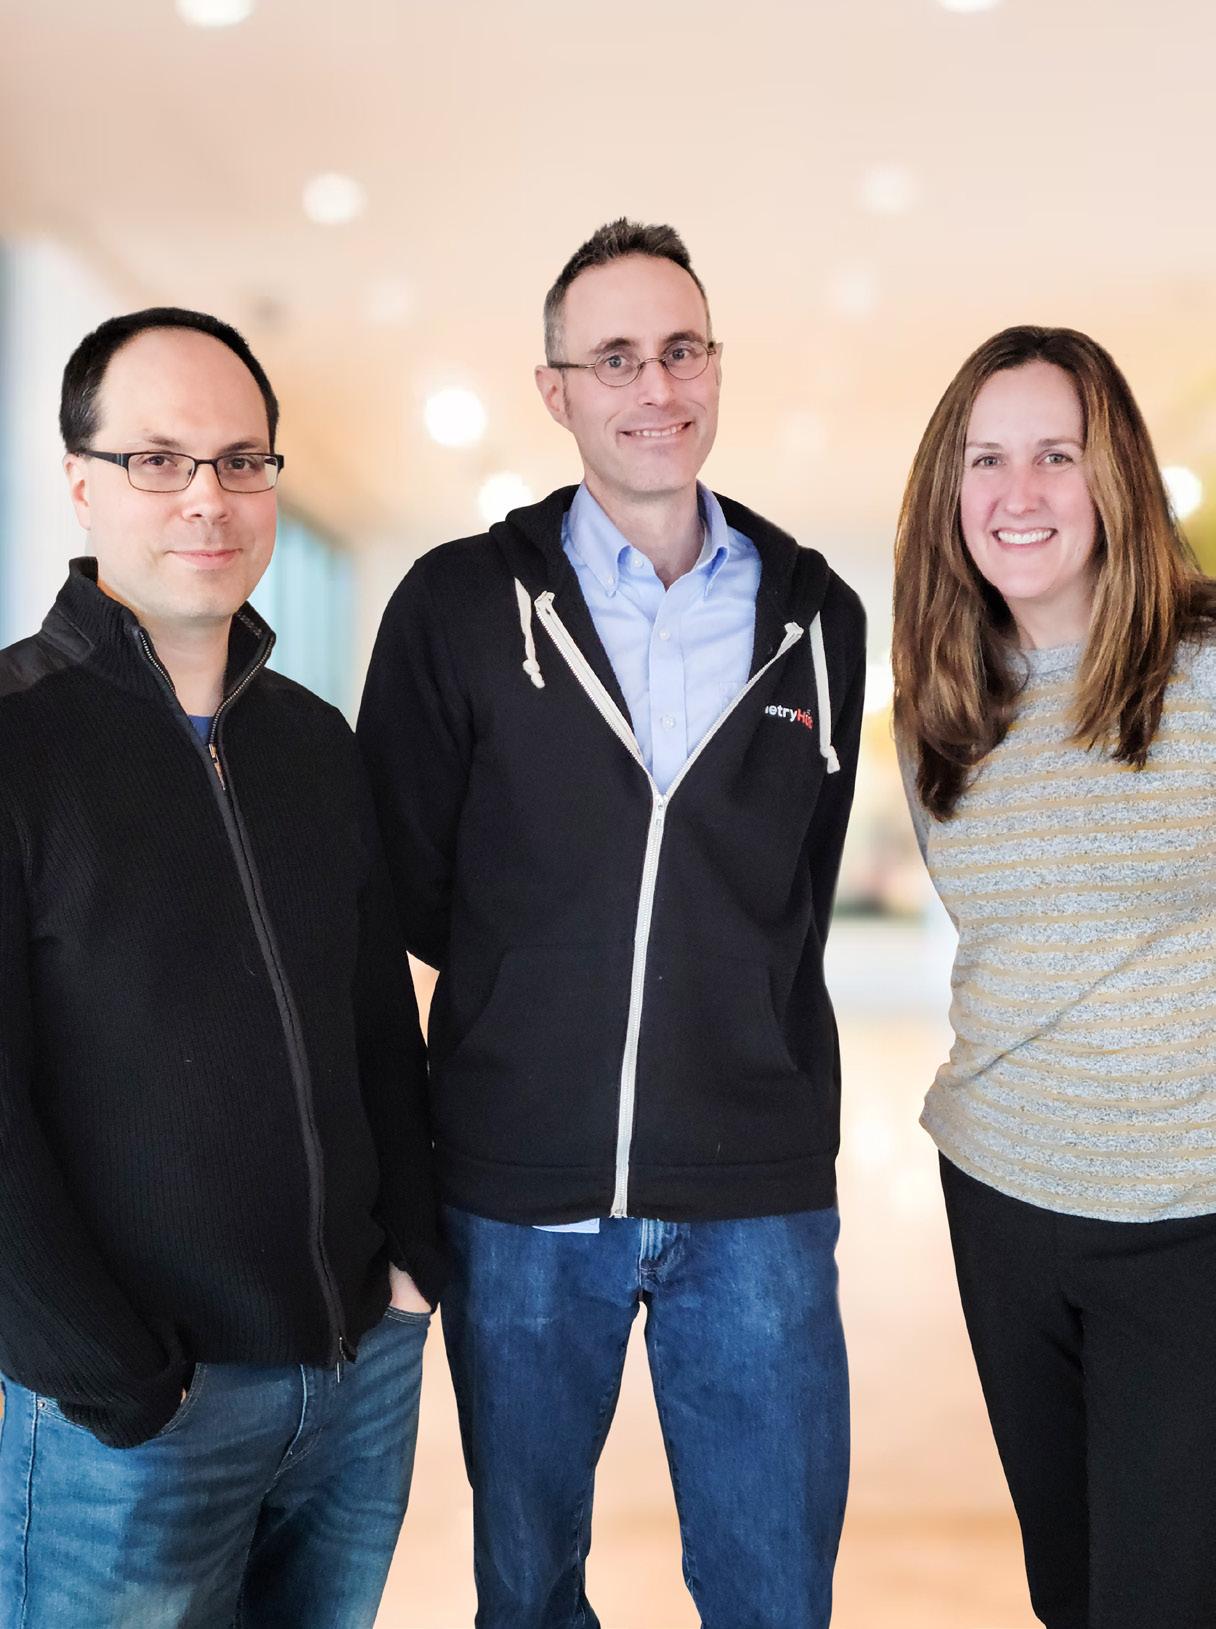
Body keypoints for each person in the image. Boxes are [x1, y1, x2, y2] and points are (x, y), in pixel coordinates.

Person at [358, 219, 866, 1628]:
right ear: (557, 390)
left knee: (775, 1596)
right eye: (617, 357)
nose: (657, 386)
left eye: (683, 349)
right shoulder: (459, 604)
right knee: (526, 1593)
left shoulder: (817, 613)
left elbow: (793, 883)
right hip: (518, 1190)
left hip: (756, 1195)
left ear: (718, 365)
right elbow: (403, 885)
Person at [0, 307, 444, 1629]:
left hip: (354, 1378)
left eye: (242, 460)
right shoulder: (17, 743)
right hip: (132, 1420)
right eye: (159, 458)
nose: (209, 494)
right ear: (80, 480)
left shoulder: (315, 742)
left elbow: (377, 1024)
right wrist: (115, 1374)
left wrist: (411, 1271)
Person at [892, 325, 1216, 1629]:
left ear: (1112, 474)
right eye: (986, 459)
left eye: (1055, 455)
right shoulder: (941, 706)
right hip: (1003, 1197)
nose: (1017, 492)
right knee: (1069, 1590)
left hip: (1189, 1221)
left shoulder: (1205, 669)